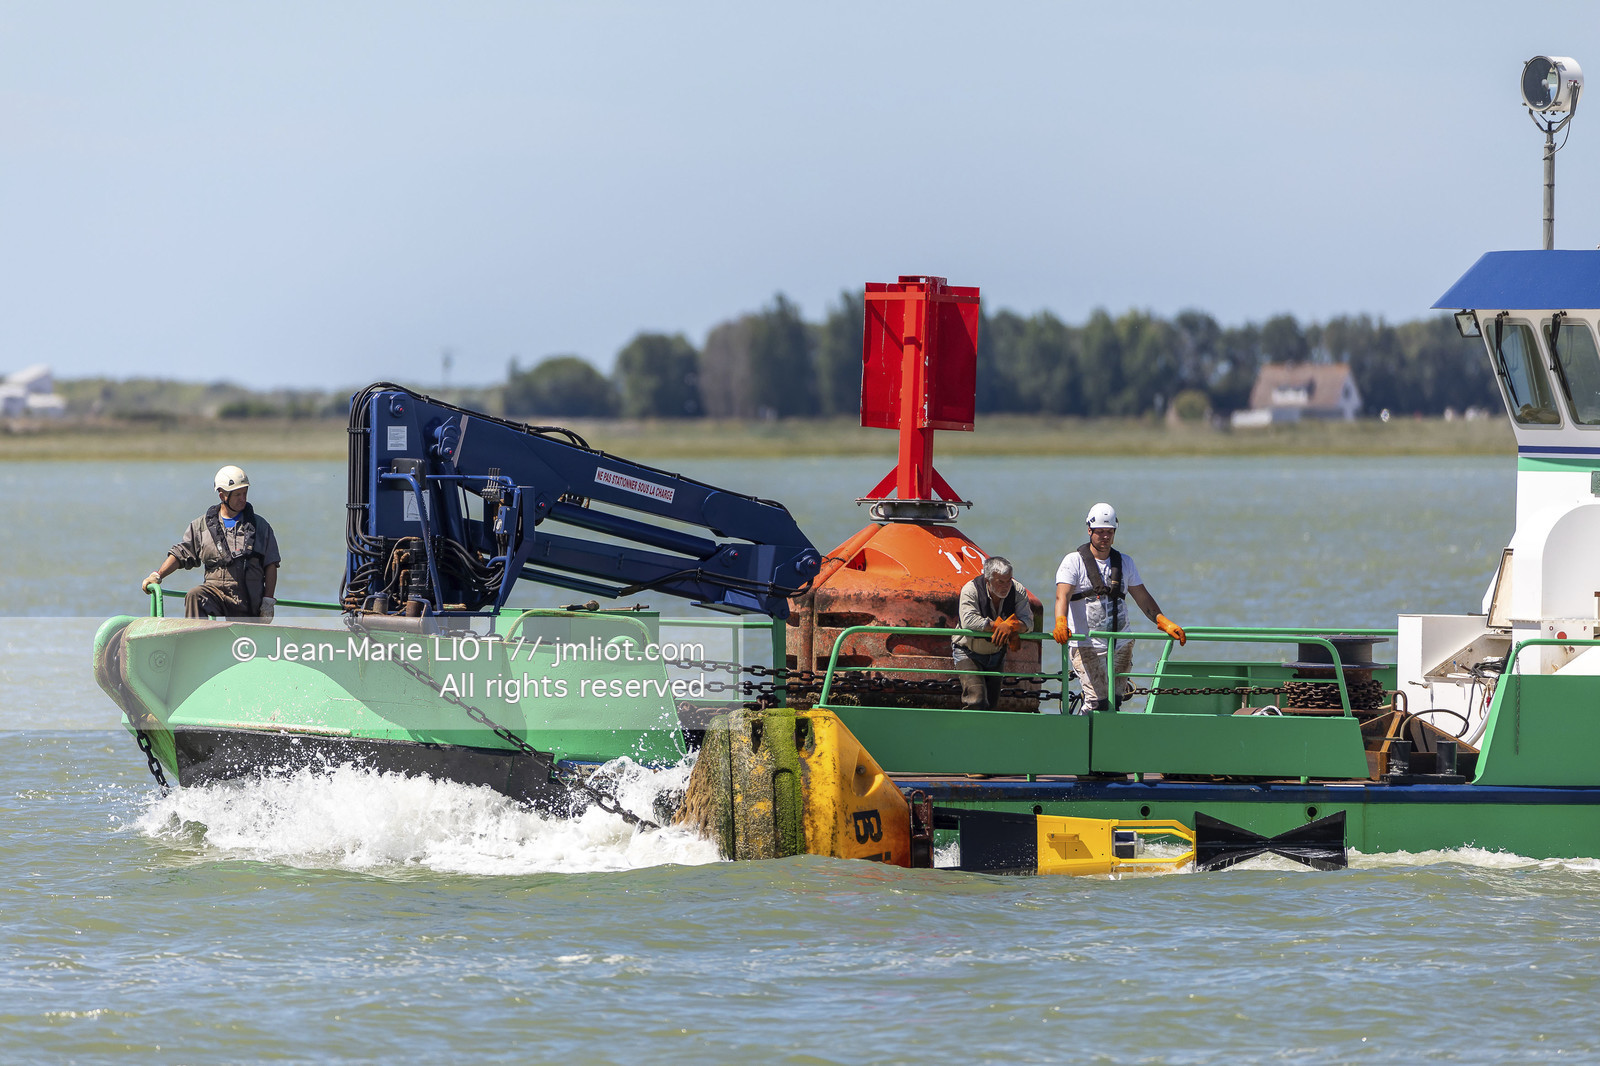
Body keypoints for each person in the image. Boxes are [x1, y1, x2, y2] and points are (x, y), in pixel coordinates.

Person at [1051, 503, 1184, 712]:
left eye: (1110, 532)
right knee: (1097, 702)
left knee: (1114, 702)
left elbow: (1142, 597)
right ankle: (1081, 736)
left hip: (1120, 643)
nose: (1105, 537)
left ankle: (1107, 739)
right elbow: (1062, 596)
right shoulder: (1072, 562)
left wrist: (1162, 621)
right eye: (1100, 532)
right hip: (1086, 644)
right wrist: (1060, 622)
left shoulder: (1124, 562)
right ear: (1089, 531)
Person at [143, 465, 281, 621]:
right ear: (222, 496)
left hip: (248, 599)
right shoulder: (201, 526)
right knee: (195, 595)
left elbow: (271, 564)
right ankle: (196, 640)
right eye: (237, 495)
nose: (243, 499)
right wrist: (157, 575)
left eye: (245, 493)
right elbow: (181, 553)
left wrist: (268, 601)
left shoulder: (261, 527)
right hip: (216, 594)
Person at [952, 556, 1033, 710]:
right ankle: (968, 732)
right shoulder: (971, 589)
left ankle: (985, 733)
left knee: (992, 705)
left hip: (996, 652)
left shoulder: (1018, 590)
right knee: (977, 701)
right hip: (968, 651)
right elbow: (968, 620)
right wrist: (997, 626)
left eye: (1008, 580)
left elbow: (1029, 622)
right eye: (1000, 582)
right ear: (988, 580)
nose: (1006, 586)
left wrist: (1013, 626)